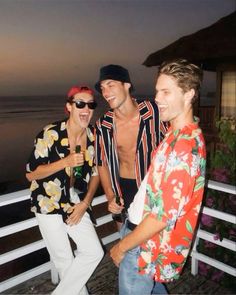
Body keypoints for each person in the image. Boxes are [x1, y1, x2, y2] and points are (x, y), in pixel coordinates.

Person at [110, 59, 206, 295]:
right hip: (140, 235)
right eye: (157, 91)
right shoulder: (175, 133)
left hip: (143, 243)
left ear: (189, 94)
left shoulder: (184, 147)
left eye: (166, 92)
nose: (158, 99)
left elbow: (162, 217)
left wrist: (122, 247)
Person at [26, 86, 104, 295]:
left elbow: (96, 173)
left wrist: (85, 203)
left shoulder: (92, 137)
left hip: (72, 198)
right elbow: (31, 174)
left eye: (91, 104)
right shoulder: (50, 133)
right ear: (69, 107)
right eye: (80, 103)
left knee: (94, 251)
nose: (86, 109)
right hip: (46, 199)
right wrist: (65, 162)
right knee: (64, 261)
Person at [94, 64, 166, 228]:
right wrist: (111, 196)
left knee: (149, 239)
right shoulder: (103, 125)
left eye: (111, 85)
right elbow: (102, 163)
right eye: (103, 88)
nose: (105, 93)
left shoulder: (154, 112)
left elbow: (174, 141)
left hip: (151, 187)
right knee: (125, 238)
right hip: (121, 189)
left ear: (126, 85)